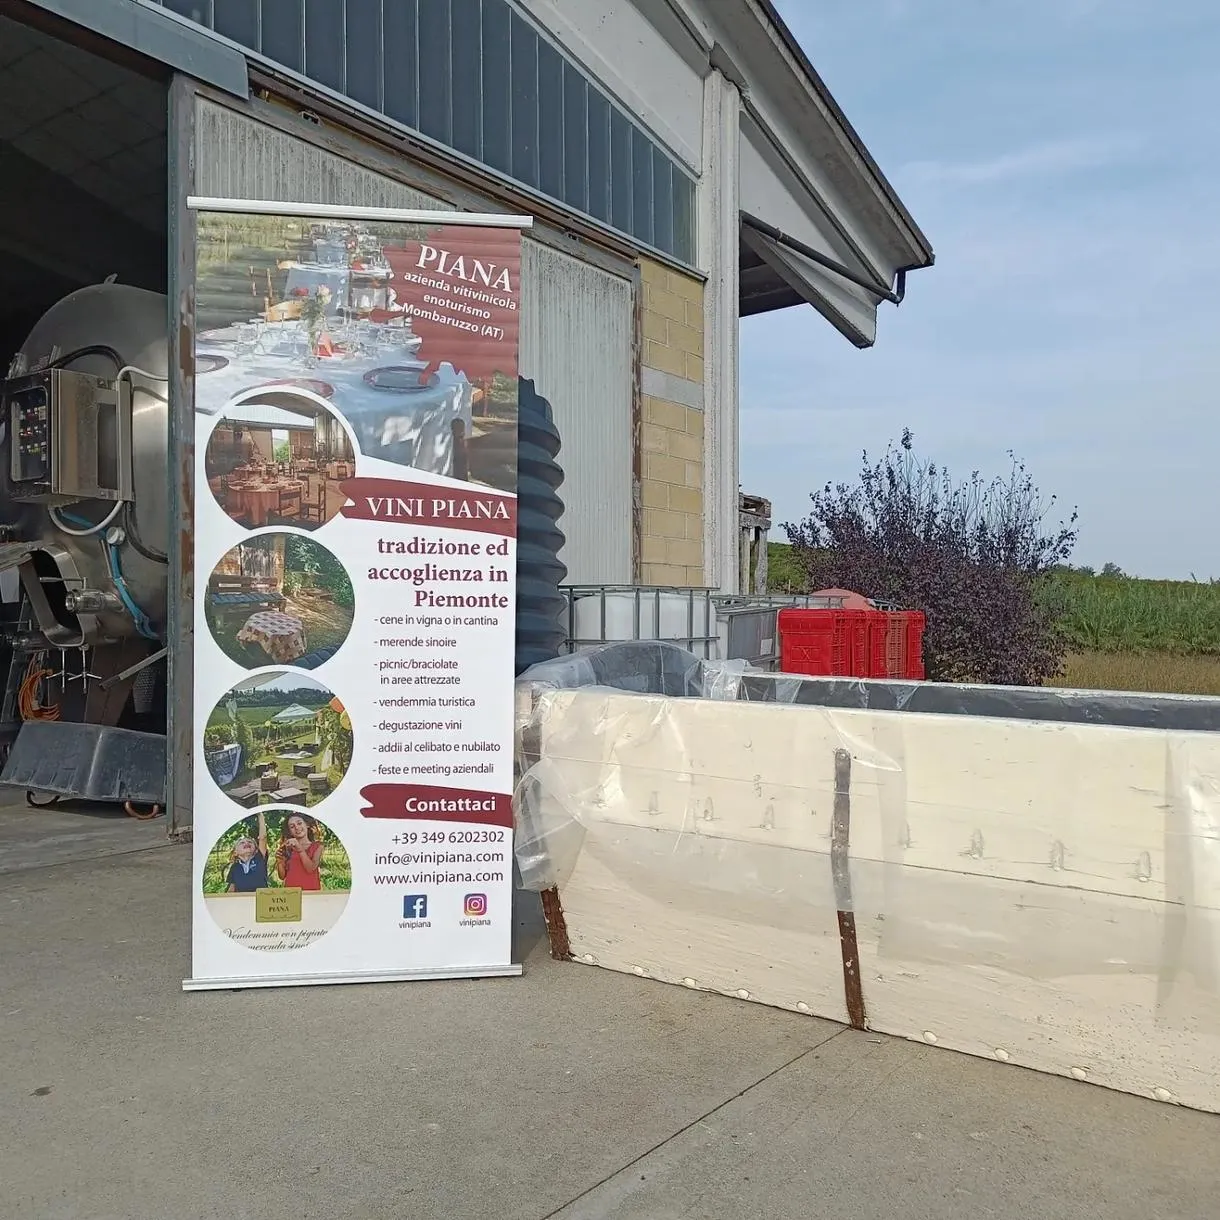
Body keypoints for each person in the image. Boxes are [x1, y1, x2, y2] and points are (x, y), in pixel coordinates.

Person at [274, 812, 325, 891]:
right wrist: (279, 862)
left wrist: (300, 849)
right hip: (291, 892)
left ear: (307, 825)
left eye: (299, 823)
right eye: (292, 826)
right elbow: (282, 876)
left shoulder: (318, 846)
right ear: (290, 832)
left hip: (310, 892)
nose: (297, 827)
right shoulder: (287, 848)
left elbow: (310, 868)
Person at [226, 811, 269, 893]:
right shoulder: (235, 867)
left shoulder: (259, 858)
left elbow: (263, 838)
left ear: (256, 850)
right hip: (243, 900)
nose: (246, 843)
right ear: (235, 852)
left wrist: (260, 815)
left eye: (250, 842)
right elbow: (231, 889)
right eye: (242, 843)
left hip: (261, 898)